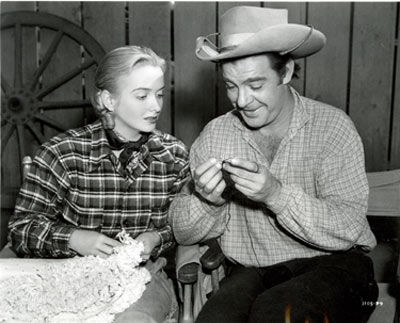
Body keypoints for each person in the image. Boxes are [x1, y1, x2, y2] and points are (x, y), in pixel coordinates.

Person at [170, 6, 378, 323]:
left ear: (285, 72)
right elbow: (183, 233)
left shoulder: (332, 128)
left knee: (278, 314)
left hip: (336, 267)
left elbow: (348, 227)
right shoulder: (216, 135)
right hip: (253, 270)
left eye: (255, 85)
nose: (241, 101)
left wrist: (275, 195)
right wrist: (206, 202)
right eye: (230, 85)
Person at [8, 45, 189, 323]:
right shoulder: (61, 153)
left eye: (160, 94)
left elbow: (183, 227)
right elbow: (21, 229)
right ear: (108, 100)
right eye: (142, 95)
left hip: (144, 279)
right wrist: (74, 238)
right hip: (66, 278)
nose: (155, 106)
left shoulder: (173, 155)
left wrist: (156, 238)